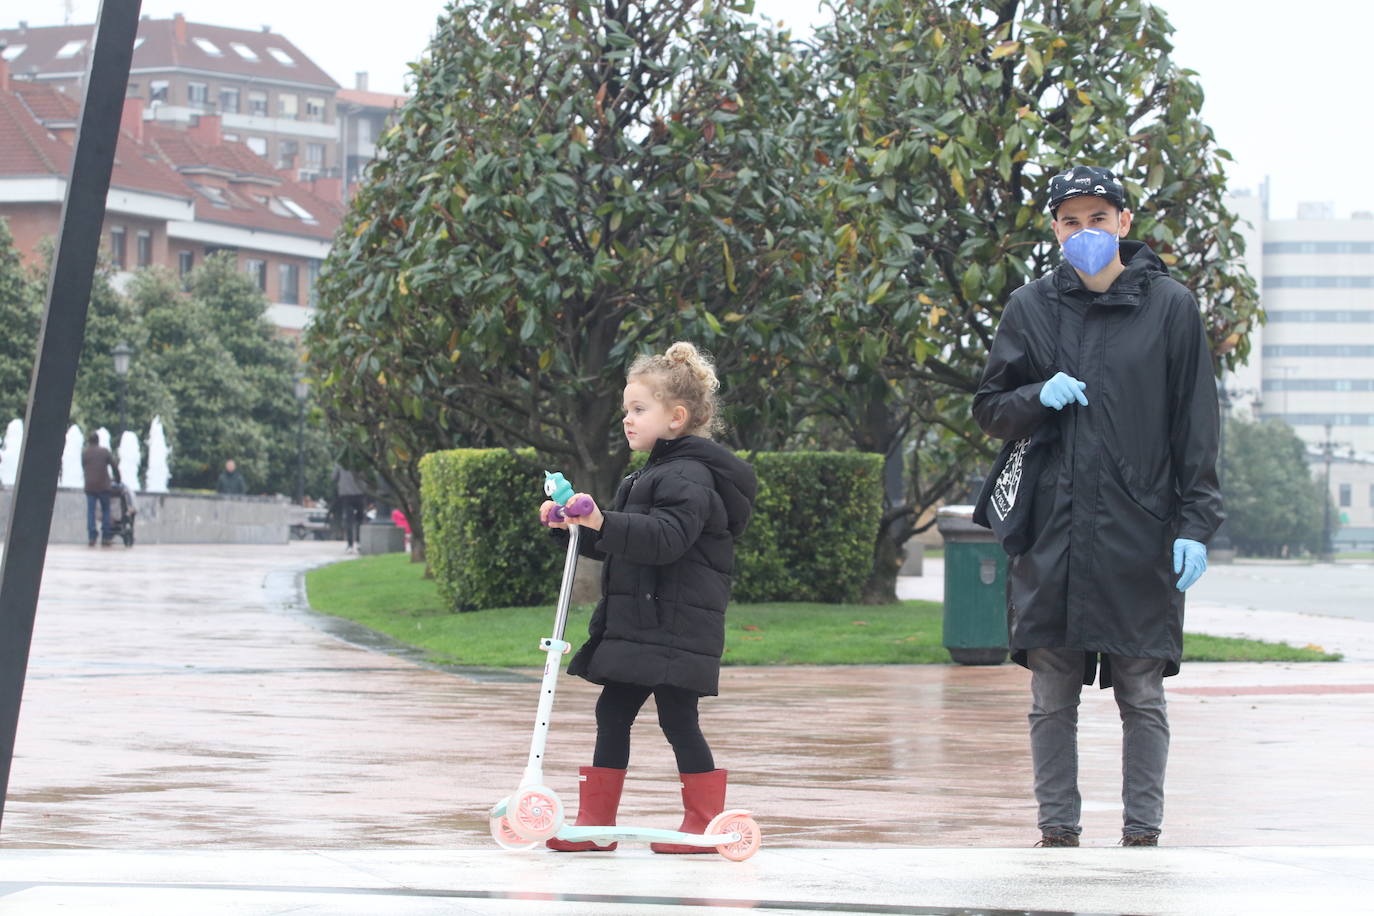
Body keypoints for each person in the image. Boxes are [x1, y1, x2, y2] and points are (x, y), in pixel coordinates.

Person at [972, 165, 1223, 848]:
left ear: (1125, 223)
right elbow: (990, 408)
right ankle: (1058, 830)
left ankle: (1143, 830)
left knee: (1141, 690)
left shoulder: (1171, 306)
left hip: (1140, 531)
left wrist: (1196, 523)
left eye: (1098, 218)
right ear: (1054, 229)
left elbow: (1195, 426)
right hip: (1052, 532)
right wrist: (1034, 396)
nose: (1085, 231)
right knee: (1051, 694)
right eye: (1070, 220)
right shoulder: (1029, 307)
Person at [538, 341, 757, 854]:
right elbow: (624, 544)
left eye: (639, 410)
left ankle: (704, 822)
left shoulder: (690, 475)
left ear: (676, 418)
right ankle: (597, 823)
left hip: (675, 627)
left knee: (678, 718)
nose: (627, 421)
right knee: (613, 712)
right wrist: (572, 526)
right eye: (625, 411)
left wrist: (603, 519)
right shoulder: (649, 475)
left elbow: (664, 539)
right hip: (645, 622)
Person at [81, 432, 120, 547]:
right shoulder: (104, 452)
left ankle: (92, 536)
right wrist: (118, 479)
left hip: (90, 486)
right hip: (104, 486)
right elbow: (114, 466)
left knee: (91, 512)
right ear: (98, 441)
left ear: (89, 441)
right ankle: (106, 536)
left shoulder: (85, 453)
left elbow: (84, 466)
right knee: (106, 510)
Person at [333, 465, 367, 552]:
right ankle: (359, 542)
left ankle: (350, 545)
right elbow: (365, 476)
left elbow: (333, 477)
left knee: (349, 520)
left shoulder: (340, 463)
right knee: (360, 520)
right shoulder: (359, 460)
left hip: (346, 494)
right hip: (359, 493)